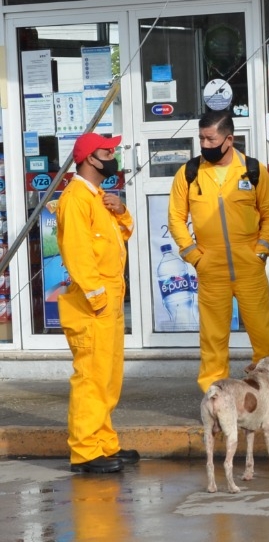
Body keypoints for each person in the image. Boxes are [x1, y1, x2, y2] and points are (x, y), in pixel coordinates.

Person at [168, 110, 269, 421]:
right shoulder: (190, 173)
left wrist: (261, 251)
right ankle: (216, 401)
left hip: (248, 268)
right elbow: (175, 219)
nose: (205, 144)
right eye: (201, 138)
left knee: (263, 339)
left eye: (210, 138)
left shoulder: (252, 170)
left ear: (229, 139)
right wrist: (194, 256)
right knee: (213, 342)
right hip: (211, 269)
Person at [56, 132, 137, 474]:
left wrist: (122, 213)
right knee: (91, 377)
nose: (113, 156)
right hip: (94, 305)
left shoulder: (98, 196)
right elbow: (77, 254)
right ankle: (86, 451)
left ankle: (104, 443)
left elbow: (117, 239)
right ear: (91, 158)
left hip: (108, 303)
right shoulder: (76, 198)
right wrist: (97, 297)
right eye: (108, 151)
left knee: (107, 377)